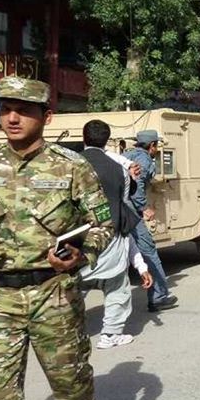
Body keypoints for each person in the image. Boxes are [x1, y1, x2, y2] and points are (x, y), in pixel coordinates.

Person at [0, 76, 114, 400]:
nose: (12, 118)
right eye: (5, 110)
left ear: (46, 117)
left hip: (54, 294)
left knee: (73, 388)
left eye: (22, 111)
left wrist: (81, 255)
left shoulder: (73, 167)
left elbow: (102, 225)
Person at [80, 120, 153, 349]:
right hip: (111, 237)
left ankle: (70, 331)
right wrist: (140, 266)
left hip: (75, 239)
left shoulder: (69, 164)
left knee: (71, 288)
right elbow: (123, 203)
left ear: (83, 138)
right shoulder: (119, 170)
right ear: (106, 140)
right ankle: (110, 334)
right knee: (117, 287)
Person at [123, 130, 178, 312]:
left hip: (117, 210)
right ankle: (158, 297)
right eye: (156, 145)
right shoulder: (144, 160)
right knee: (148, 251)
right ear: (152, 145)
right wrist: (143, 207)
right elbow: (137, 185)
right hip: (131, 211)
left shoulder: (126, 155)